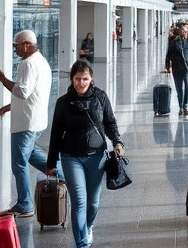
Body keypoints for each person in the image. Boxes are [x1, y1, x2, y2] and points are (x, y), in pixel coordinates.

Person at [46, 60, 125, 248]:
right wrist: (51, 162)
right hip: (70, 157)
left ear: (91, 79)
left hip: (96, 156)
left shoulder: (100, 98)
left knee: (93, 203)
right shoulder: (63, 103)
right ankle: (81, 243)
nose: (81, 83)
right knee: (79, 202)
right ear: (72, 78)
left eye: (85, 79)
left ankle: (88, 226)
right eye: (77, 79)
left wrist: (117, 141)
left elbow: (110, 123)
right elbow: (56, 133)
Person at [0, 29, 60, 217]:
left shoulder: (28, 64)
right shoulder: (41, 61)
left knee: (18, 163)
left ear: (26, 44)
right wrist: (9, 106)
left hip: (26, 124)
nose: (16, 50)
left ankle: (25, 204)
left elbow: (22, 92)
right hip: (35, 120)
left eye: (17, 46)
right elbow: (31, 94)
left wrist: (2, 79)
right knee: (31, 156)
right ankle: (66, 175)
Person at [165, 25, 188, 117]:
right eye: (181, 30)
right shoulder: (174, 41)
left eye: (184, 30)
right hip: (177, 67)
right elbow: (168, 54)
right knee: (179, 89)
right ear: (179, 31)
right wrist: (167, 66)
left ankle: (186, 105)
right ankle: (180, 106)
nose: (182, 31)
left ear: (187, 31)